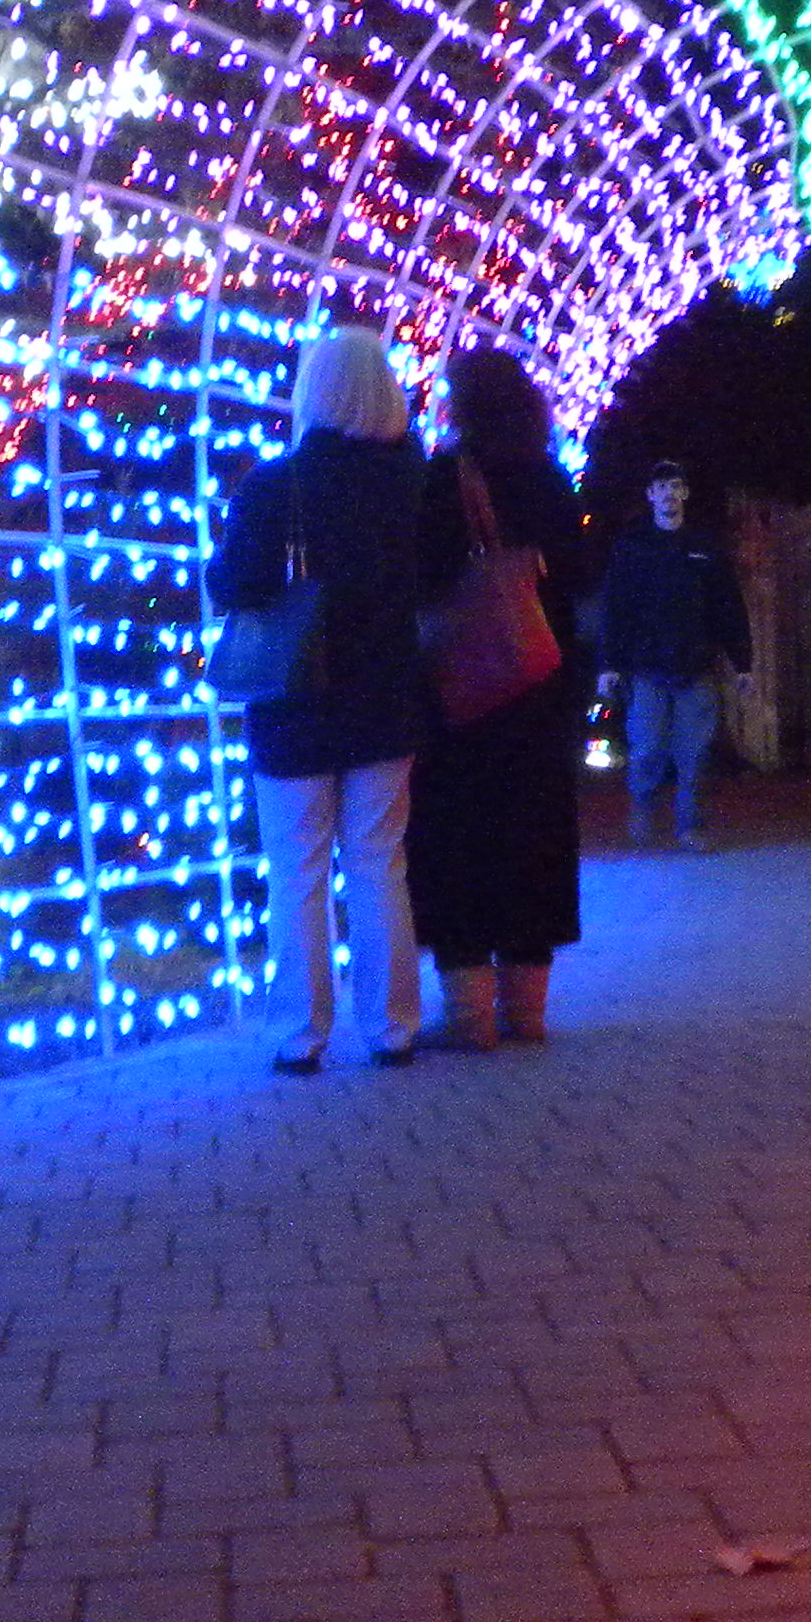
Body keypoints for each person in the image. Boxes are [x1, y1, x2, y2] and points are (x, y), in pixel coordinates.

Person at [212, 325, 453, 1071]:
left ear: (313, 391)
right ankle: (393, 1027)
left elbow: (235, 584)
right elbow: (439, 583)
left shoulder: (275, 486)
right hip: (387, 700)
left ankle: (301, 1035)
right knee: (380, 865)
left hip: (295, 707)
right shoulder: (418, 486)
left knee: (298, 874)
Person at [410, 349, 597, 1050]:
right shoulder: (549, 476)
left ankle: (471, 1015)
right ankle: (527, 1010)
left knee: (460, 841)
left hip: (463, 695)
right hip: (540, 683)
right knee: (534, 840)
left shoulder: (444, 479)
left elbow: (424, 583)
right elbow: (580, 575)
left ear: (463, 405)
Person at [595, 461, 750, 849]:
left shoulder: (704, 547)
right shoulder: (633, 547)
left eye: (676, 486)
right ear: (650, 495)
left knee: (695, 753)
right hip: (647, 666)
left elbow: (728, 605)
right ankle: (643, 809)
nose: (669, 494)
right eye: (661, 487)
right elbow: (615, 608)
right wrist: (609, 664)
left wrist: (742, 662)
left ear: (685, 494)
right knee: (647, 747)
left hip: (695, 665)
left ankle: (690, 825)